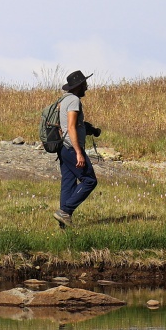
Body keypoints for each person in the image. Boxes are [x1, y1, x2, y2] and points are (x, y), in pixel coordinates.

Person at [52, 70, 101, 228]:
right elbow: (71, 127)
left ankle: (63, 227)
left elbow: (69, 125)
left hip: (63, 148)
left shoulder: (64, 100)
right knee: (89, 180)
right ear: (79, 86)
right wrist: (79, 152)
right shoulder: (73, 100)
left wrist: (90, 130)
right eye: (85, 84)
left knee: (68, 184)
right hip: (72, 148)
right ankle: (65, 211)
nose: (87, 87)